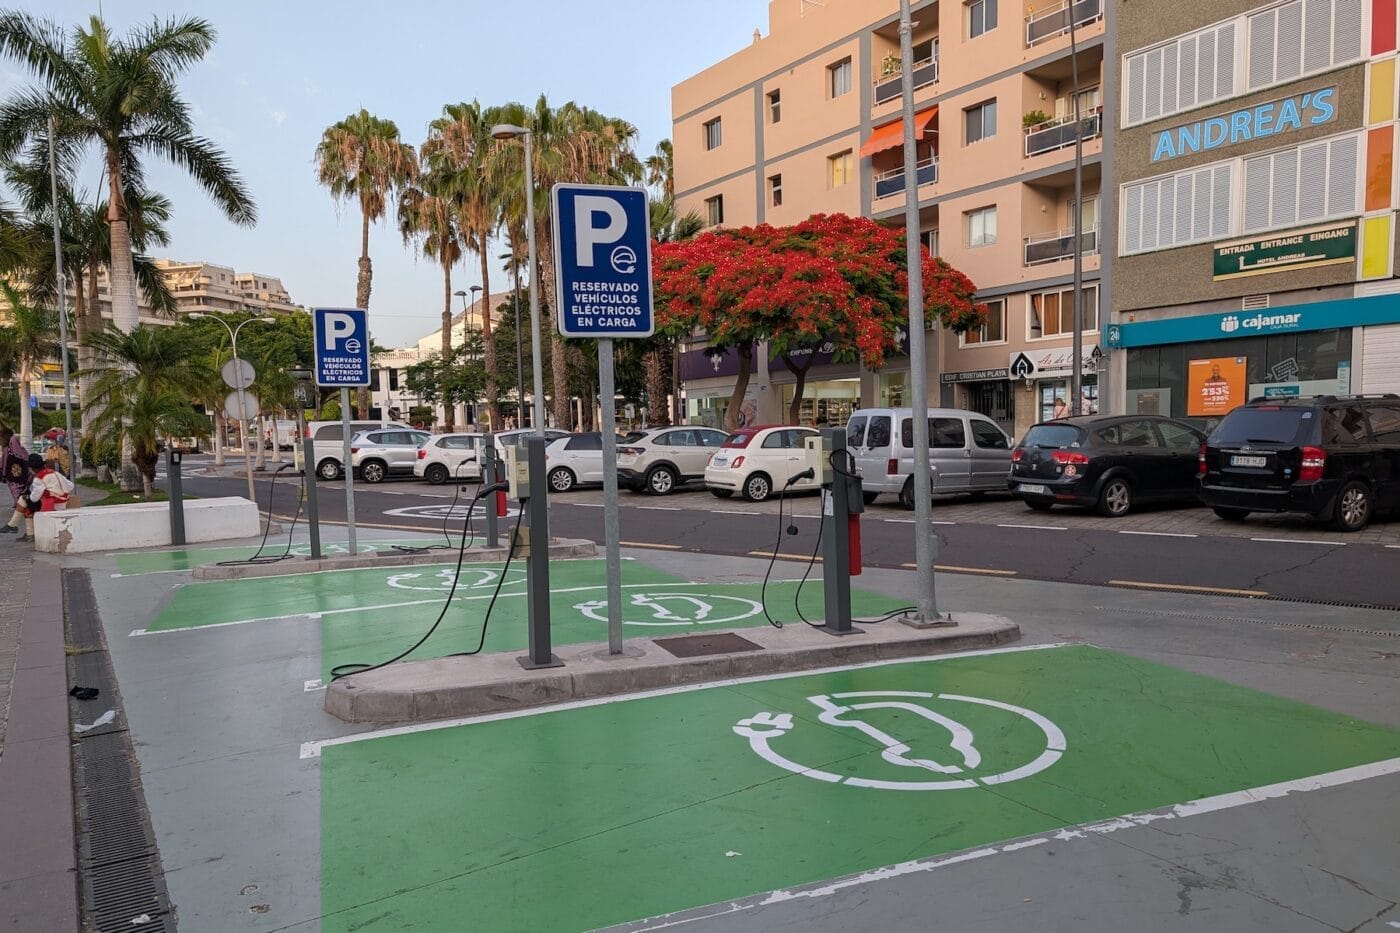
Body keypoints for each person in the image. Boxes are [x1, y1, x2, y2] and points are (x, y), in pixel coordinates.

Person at [2, 428, 33, 536]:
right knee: (23, 503)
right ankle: (28, 532)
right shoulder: (14, 449)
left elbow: (5, 465)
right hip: (19, 482)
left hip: (17, 482)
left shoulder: (10, 446)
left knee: (23, 503)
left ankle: (17, 527)